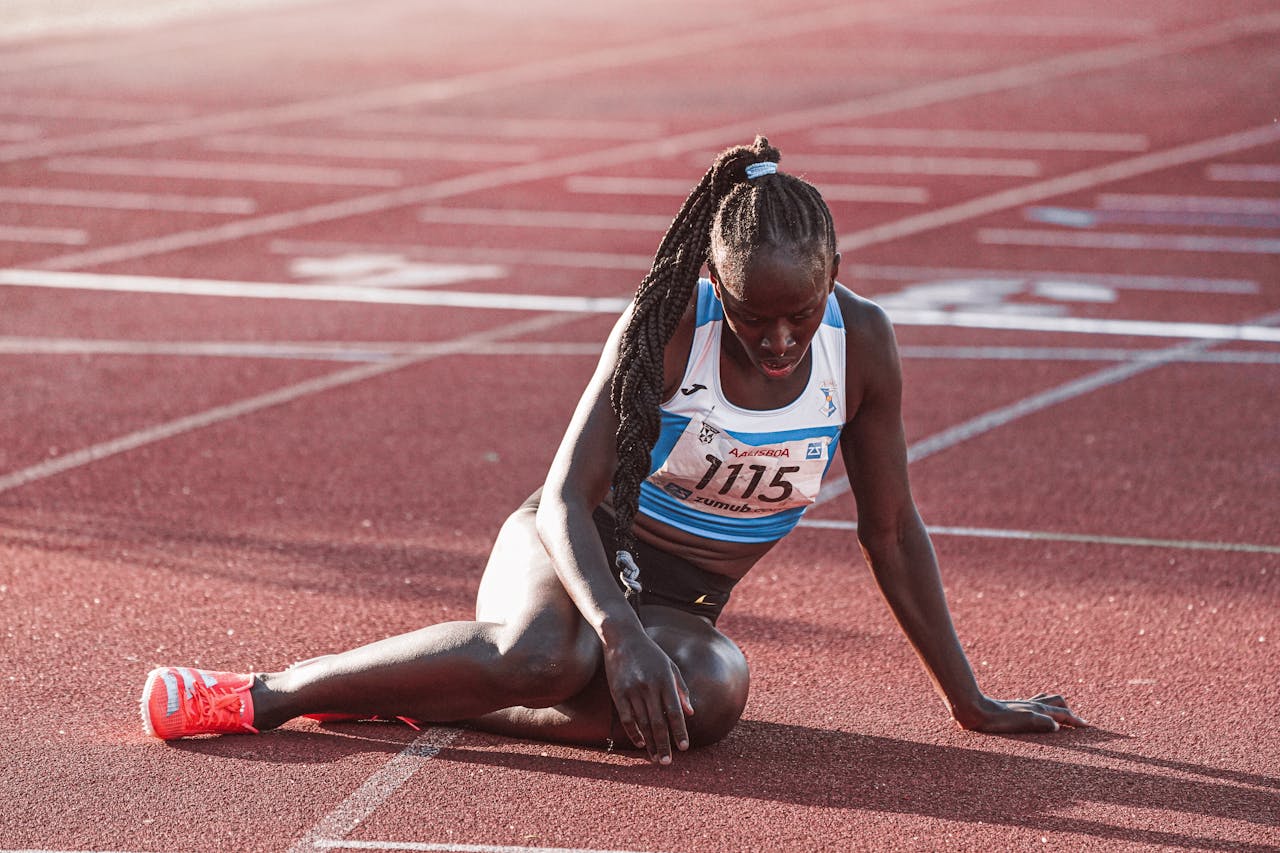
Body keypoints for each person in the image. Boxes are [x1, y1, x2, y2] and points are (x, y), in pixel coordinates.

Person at [140, 137, 1086, 764]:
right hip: (569, 554)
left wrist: (970, 700)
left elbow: (891, 530)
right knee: (542, 657)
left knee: (710, 695)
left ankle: (432, 695)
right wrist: (618, 634)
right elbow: (561, 499)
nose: (781, 340)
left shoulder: (864, 343)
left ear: (835, 276)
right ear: (718, 281)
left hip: (679, 602)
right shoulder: (670, 324)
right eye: (757, 318)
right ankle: (267, 693)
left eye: (801, 314)